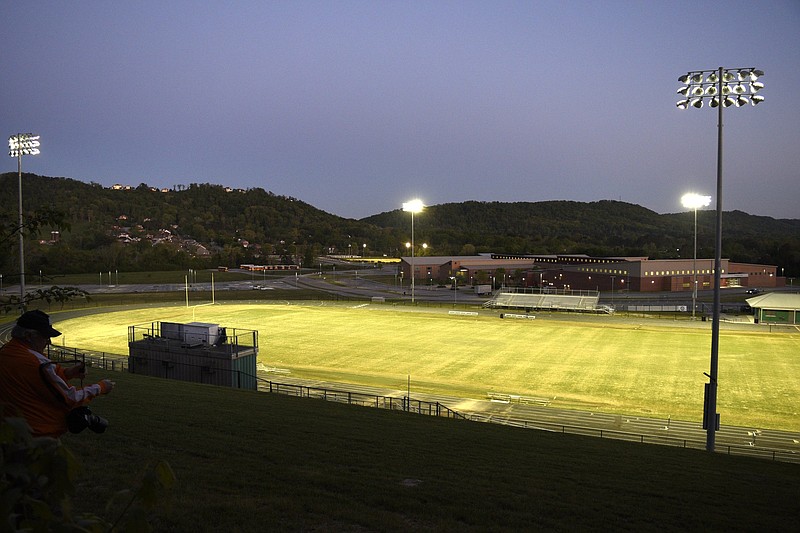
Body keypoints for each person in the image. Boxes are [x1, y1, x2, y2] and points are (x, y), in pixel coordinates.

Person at [0, 310, 114, 438]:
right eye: (45, 336)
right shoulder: (38, 364)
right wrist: (101, 387)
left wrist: (67, 373)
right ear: (28, 336)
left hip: (12, 433)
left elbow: (36, 381)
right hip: (38, 436)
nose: (49, 341)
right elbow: (71, 398)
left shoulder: (6, 352)